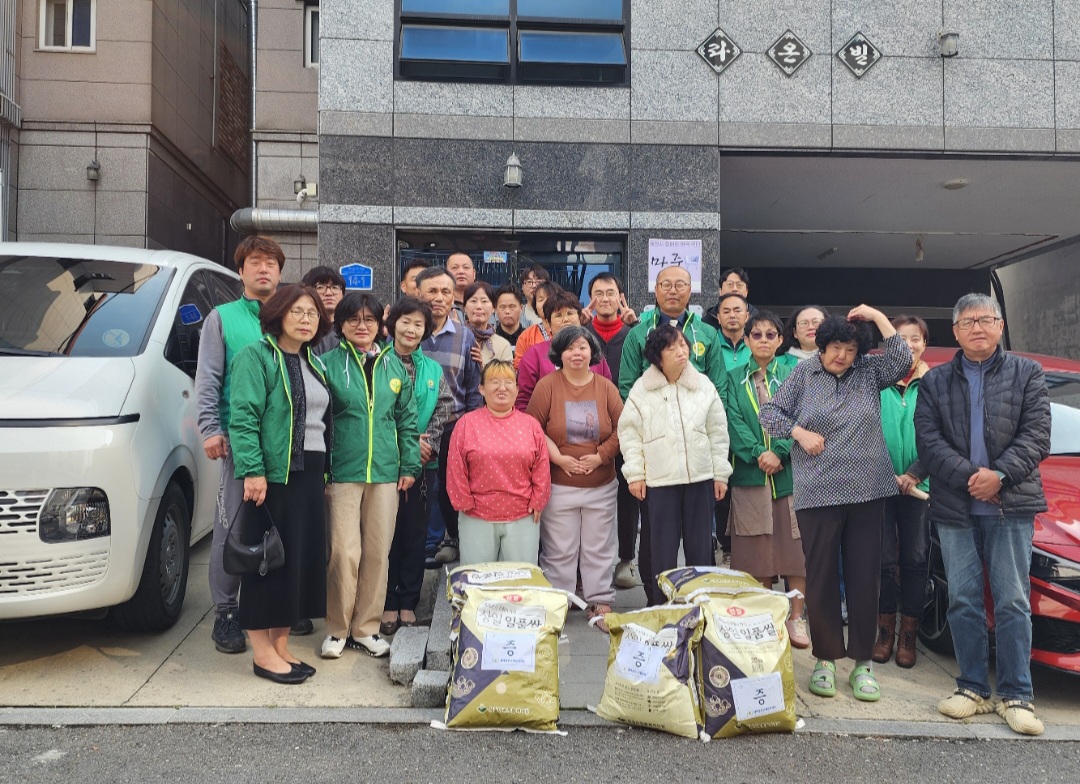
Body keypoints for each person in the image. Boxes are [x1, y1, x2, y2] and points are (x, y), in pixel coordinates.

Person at [914, 293, 1051, 736]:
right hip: (956, 506)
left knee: (1012, 601)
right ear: (954, 331)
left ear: (1000, 325)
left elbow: (1037, 436)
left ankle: (1017, 695)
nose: (977, 327)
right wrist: (976, 477)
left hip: (1011, 506)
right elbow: (928, 442)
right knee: (963, 599)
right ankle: (971, 686)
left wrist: (1001, 477)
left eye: (986, 319)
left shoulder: (1027, 373)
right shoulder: (935, 382)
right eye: (968, 321)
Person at [759, 306, 910, 704]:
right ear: (820, 347)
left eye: (849, 348)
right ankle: (826, 659)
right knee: (822, 576)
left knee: (865, 576)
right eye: (834, 347)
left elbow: (902, 358)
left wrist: (877, 317)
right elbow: (769, 412)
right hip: (818, 491)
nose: (841, 355)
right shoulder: (803, 375)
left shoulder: (869, 373)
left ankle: (862, 663)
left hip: (866, 490)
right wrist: (799, 433)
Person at [227, 284, 333, 684]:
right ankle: (261, 653)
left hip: (308, 474)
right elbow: (244, 416)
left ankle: (281, 645)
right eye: (298, 312)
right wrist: (253, 470)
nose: (306, 319)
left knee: (298, 562)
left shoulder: (313, 362)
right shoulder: (255, 356)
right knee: (265, 563)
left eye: (312, 313)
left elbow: (323, 423)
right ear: (278, 314)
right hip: (272, 476)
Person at [618, 265, 729, 603]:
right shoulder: (640, 375)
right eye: (666, 284)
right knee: (658, 544)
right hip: (659, 475)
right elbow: (629, 430)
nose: (673, 290)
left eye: (681, 284)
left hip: (699, 474)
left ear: (691, 288)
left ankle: (699, 602)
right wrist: (635, 473)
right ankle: (658, 603)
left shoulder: (705, 367)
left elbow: (718, 429)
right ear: (655, 288)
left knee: (699, 544)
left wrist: (720, 471)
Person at [319, 294, 421, 660]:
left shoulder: (394, 367)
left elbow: (407, 420)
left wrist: (409, 466)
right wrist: (323, 468)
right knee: (343, 553)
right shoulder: (326, 364)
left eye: (369, 319)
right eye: (353, 319)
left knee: (378, 552)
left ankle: (367, 628)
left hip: (385, 473)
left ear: (381, 323)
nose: (361, 326)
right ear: (340, 324)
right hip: (343, 471)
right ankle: (336, 628)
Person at [196, 235, 284, 655]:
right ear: (242, 271)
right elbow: (209, 378)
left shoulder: (290, 316)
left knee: (276, 523)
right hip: (237, 441)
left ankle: (271, 606)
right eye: (255, 262)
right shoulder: (222, 318)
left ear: (280, 272)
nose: (263, 269)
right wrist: (210, 427)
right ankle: (226, 612)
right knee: (231, 525)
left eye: (270, 263)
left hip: (284, 443)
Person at [526, 326, 623, 631]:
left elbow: (625, 428)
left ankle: (599, 600)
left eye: (582, 347)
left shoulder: (606, 388)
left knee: (599, 546)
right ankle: (560, 601)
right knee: (559, 548)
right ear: (559, 353)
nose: (576, 353)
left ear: (592, 352)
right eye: (570, 348)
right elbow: (533, 428)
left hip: (601, 482)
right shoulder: (547, 386)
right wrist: (558, 458)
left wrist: (602, 455)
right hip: (559, 483)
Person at [723, 311, 807, 648]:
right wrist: (759, 451)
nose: (763, 340)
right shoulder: (732, 376)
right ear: (745, 341)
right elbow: (730, 419)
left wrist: (781, 450)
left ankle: (796, 618)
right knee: (755, 552)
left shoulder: (795, 373)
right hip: (750, 472)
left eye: (770, 335)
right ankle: (763, 619)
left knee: (794, 551)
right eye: (755, 335)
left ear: (781, 340)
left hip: (790, 472)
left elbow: (805, 414)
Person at [382, 298, 454, 636]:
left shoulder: (432, 369)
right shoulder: (377, 363)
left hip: (424, 464)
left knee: (413, 535)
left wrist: (429, 444)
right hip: (384, 464)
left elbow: (444, 406)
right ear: (393, 323)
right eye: (405, 322)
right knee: (384, 537)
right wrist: (405, 446)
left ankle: (408, 601)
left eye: (418, 325)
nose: (411, 330)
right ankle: (384, 602)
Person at [446, 360, 551, 565]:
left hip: (522, 515)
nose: (502, 387)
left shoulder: (530, 425)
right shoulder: (466, 424)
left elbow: (542, 466)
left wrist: (539, 499)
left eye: (508, 382)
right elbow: (455, 468)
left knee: (519, 584)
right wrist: (464, 503)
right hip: (476, 515)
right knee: (477, 582)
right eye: (494, 381)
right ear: (482, 388)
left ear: (517, 389)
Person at [873, 315, 932, 669]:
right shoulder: (875, 380)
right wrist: (885, 472)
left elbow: (943, 433)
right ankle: (885, 631)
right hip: (878, 483)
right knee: (881, 559)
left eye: (916, 338)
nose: (909, 345)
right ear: (889, 344)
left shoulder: (935, 382)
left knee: (914, 558)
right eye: (901, 338)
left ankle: (909, 634)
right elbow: (861, 428)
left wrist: (914, 473)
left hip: (920, 486)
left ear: (925, 344)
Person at [416, 265, 483, 566]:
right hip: (413, 426)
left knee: (446, 486)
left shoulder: (465, 336)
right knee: (417, 485)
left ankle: (448, 539)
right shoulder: (406, 331)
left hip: (453, 424)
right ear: (418, 293)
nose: (439, 297)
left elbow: (471, 386)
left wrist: (469, 427)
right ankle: (423, 542)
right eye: (432, 290)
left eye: (445, 291)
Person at [584, 273, 639, 590]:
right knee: (592, 495)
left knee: (628, 494)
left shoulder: (634, 335)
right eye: (597, 293)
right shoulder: (581, 336)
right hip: (588, 430)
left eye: (611, 293)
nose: (605, 298)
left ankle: (626, 560)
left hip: (628, 427)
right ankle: (592, 561)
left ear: (621, 298)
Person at [515, 290, 611, 411]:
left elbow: (608, 394)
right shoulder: (534, 355)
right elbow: (524, 402)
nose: (565, 319)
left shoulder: (592, 351)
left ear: (579, 319)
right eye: (558, 315)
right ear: (548, 324)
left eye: (570, 313)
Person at [463, 281, 513, 366]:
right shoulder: (456, 340)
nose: (479, 306)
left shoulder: (502, 345)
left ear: (493, 308)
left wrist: (481, 367)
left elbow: (507, 378)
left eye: (484, 301)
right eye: (473, 301)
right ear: (464, 307)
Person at [513, 281, 561, 369]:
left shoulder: (572, 330)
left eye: (550, 298)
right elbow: (519, 367)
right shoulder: (526, 336)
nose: (546, 303)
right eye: (541, 300)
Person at [301, 266, 346, 355]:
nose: (329, 293)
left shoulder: (351, 327)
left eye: (335, 287)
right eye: (320, 287)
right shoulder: (301, 326)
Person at [714, 293, 752, 370]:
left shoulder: (755, 343)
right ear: (719, 318)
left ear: (747, 316)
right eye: (726, 312)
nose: (732, 315)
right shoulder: (711, 343)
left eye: (737, 311)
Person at [446, 252, 476, 322]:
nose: (461, 271)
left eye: (466, 267)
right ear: (446, 274)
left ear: (474, 274)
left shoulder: (486, 304)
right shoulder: (441, 304)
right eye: (455, 268)